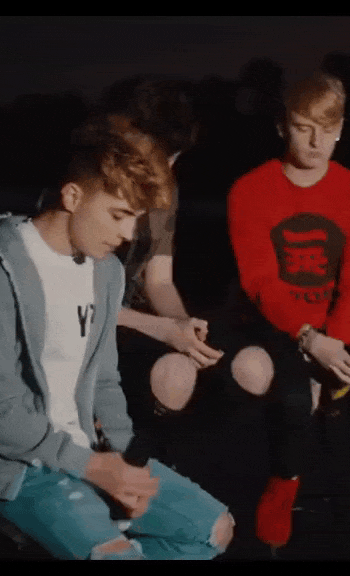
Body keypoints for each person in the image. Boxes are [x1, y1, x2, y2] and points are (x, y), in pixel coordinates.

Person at [0, 116, 234, 559]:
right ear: (73, 196)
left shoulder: (107, 274)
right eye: (119, 215)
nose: (128, 235)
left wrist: (124, 460)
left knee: (213, 531)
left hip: (89, 451)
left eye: (136, 219)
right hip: (14, 467)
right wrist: (95, 468)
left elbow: (103, 380)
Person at [220, 70, 350, 550]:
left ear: (341, 128)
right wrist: (309, 338)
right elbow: (260, 283)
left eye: (326, 128)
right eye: (303, 127)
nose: (315, 141)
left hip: (337, 328)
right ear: (281, 126)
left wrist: (335, 344)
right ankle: (282, 483)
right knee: (293, 395)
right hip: (273, 324)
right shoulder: (249, 190)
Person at [92, 76, 225, 448]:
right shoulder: (89, 186)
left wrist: (182, 328)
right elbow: (72, 300)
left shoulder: (164, 186)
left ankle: (151, 459)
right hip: (83, 323)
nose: (166, 168)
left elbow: (159, 281)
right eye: (160, 157)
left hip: (131, 319)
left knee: (182, 368)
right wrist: (161, 328)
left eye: (174, 159)